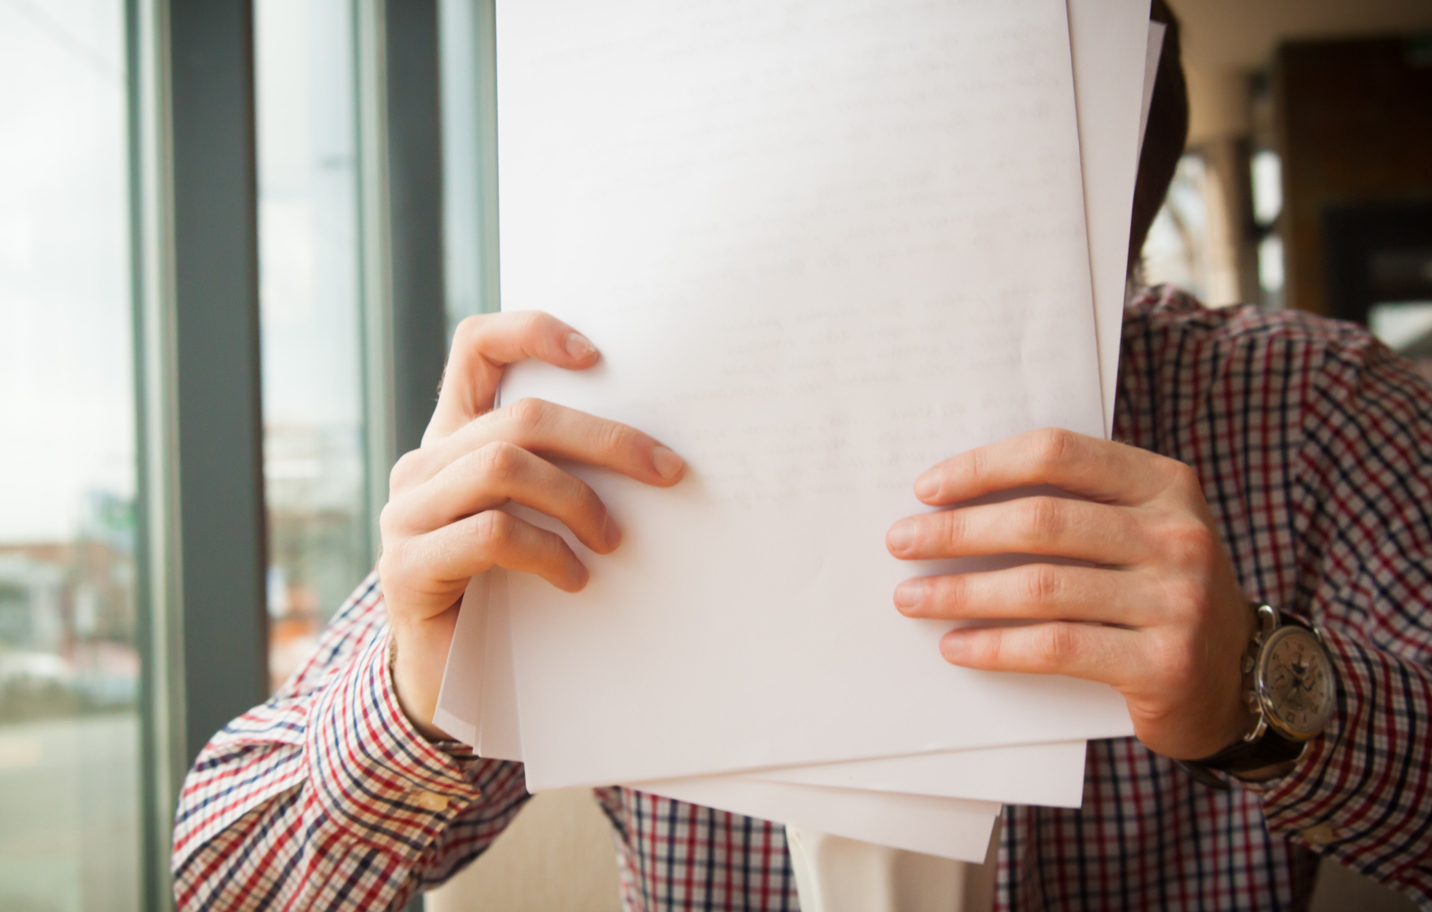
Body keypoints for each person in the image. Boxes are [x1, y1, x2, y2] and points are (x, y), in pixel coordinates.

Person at [171, 4, 1432, 910]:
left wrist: (1258, 694)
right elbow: (222, 880)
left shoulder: (1310, 405)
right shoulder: (598, 425)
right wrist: (414, 691)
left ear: (1126, 175)